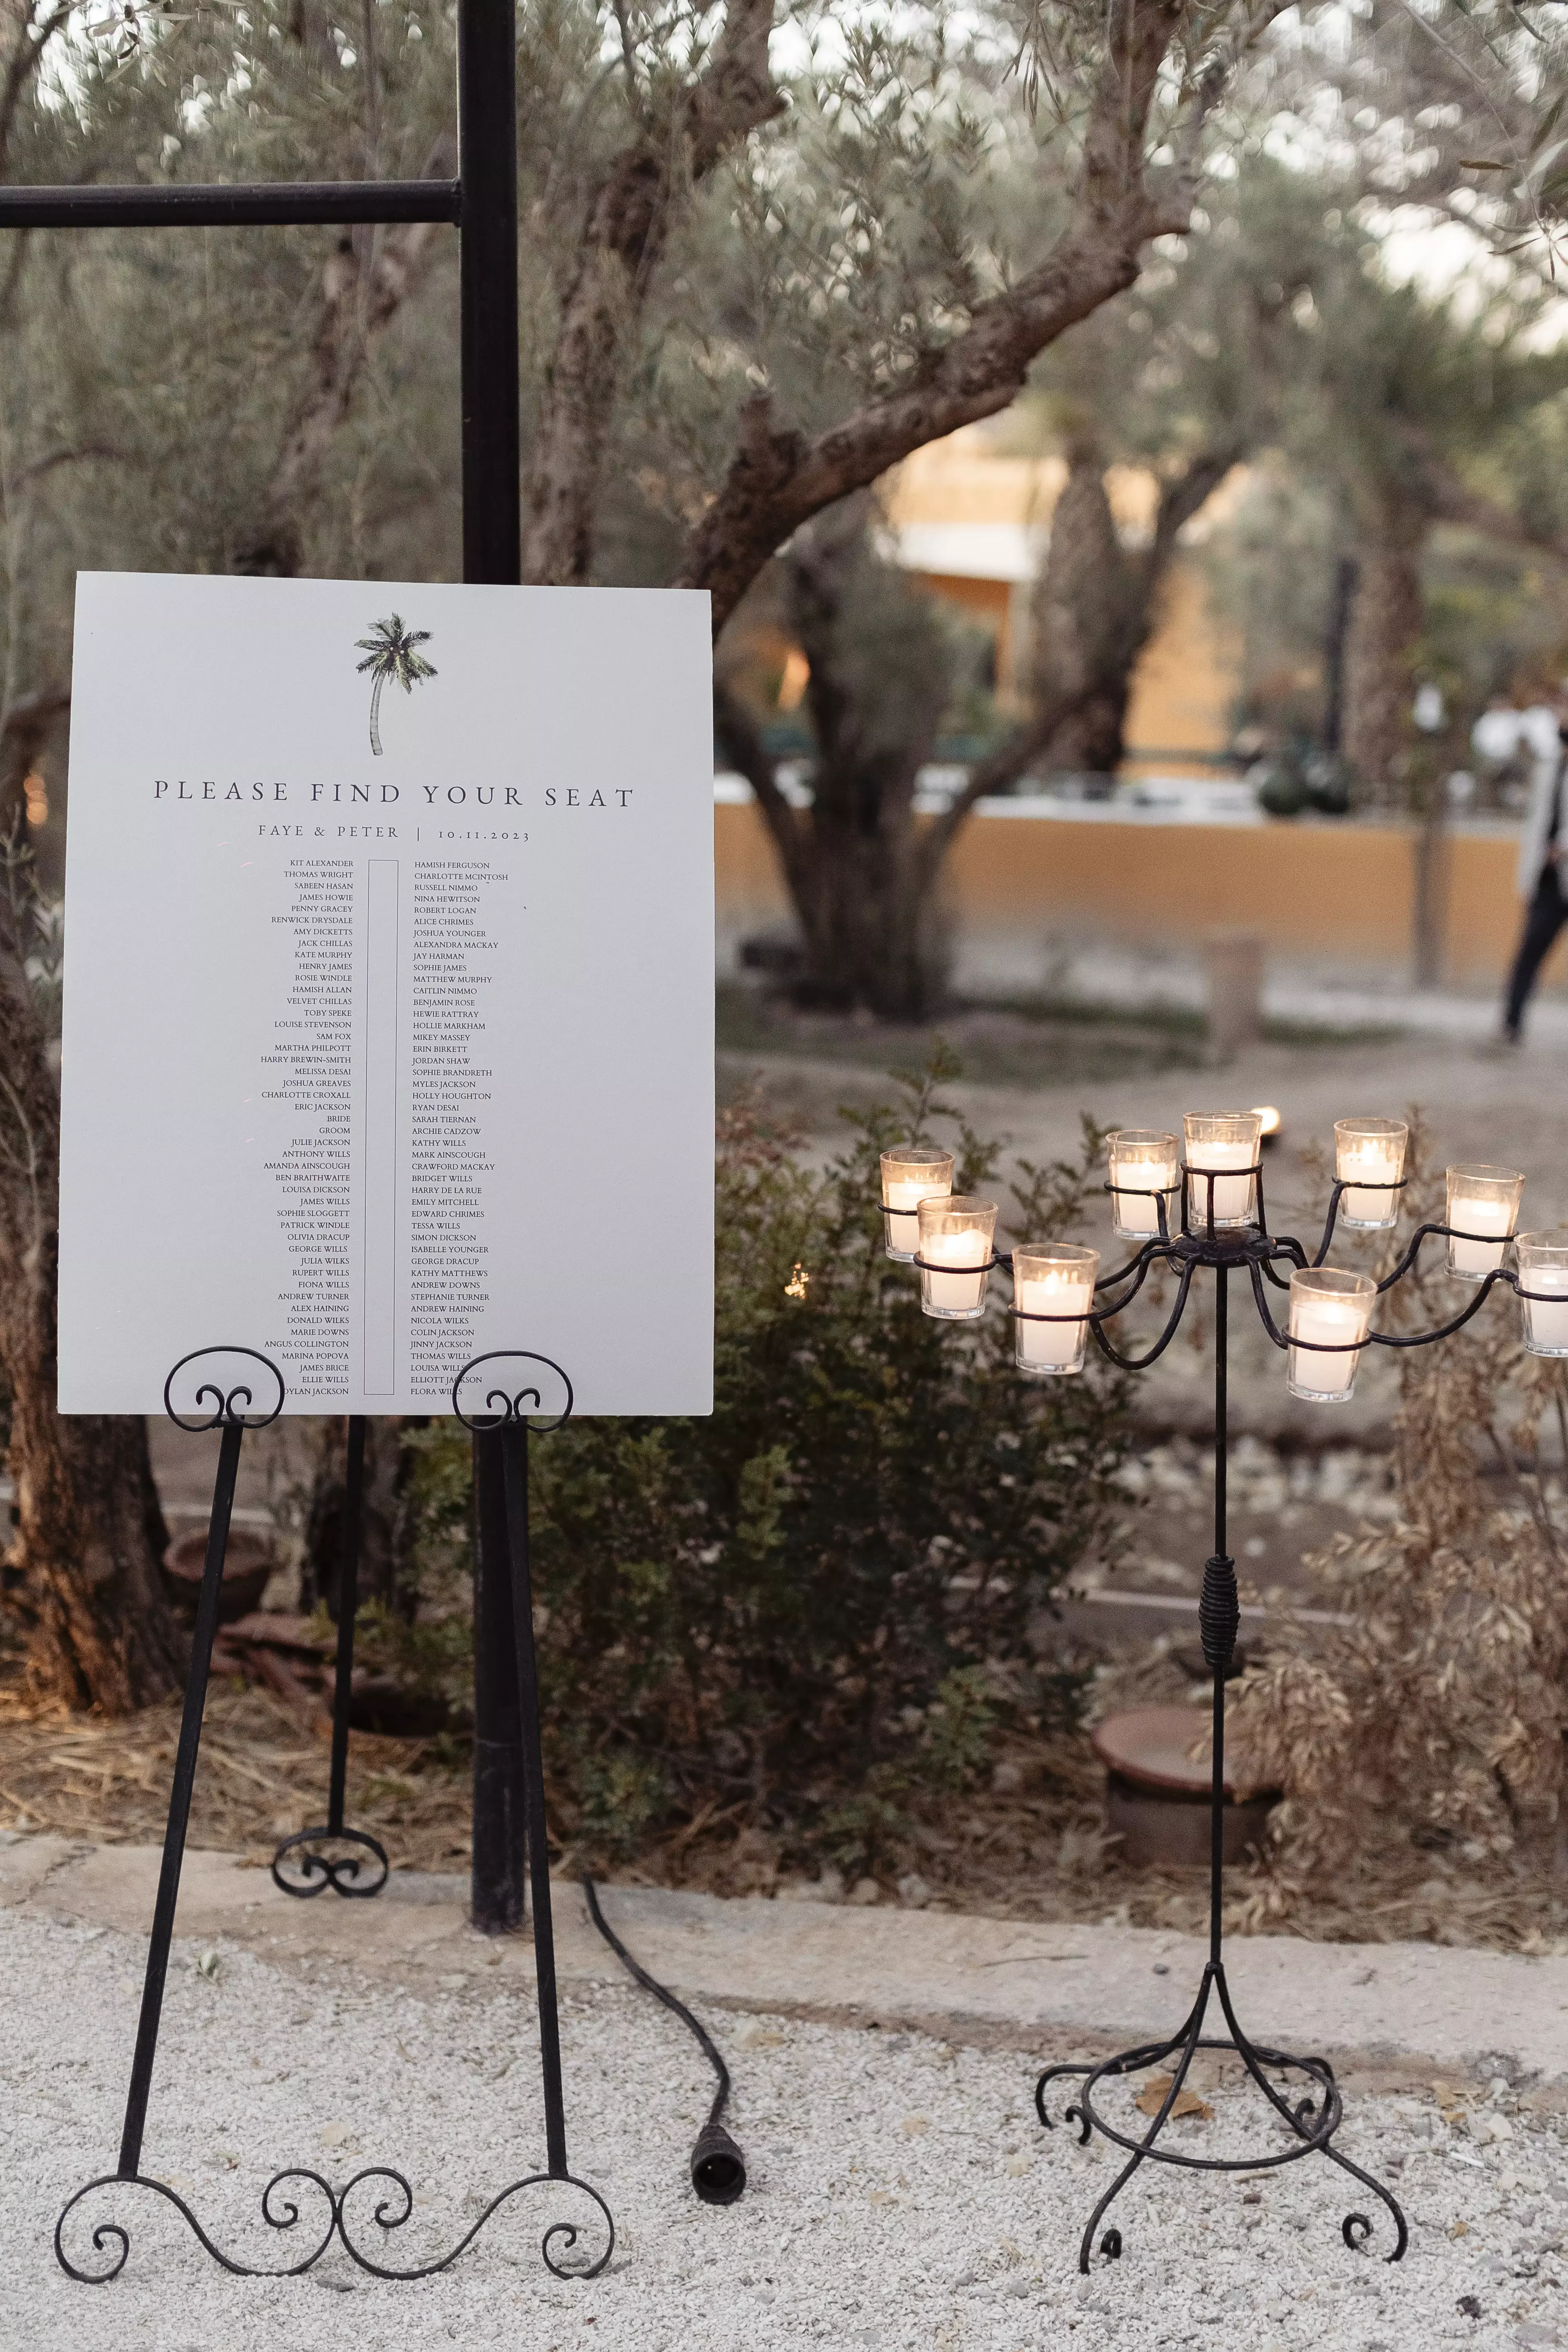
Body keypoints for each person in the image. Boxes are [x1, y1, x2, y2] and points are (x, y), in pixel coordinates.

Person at [1500, 686, 1568, 1044]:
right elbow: (1537, 825)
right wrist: (1529, 872)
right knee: (1529, 952)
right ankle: (1511, 1024)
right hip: (1548, 881)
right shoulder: (1550, 767)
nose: (1560, 716)